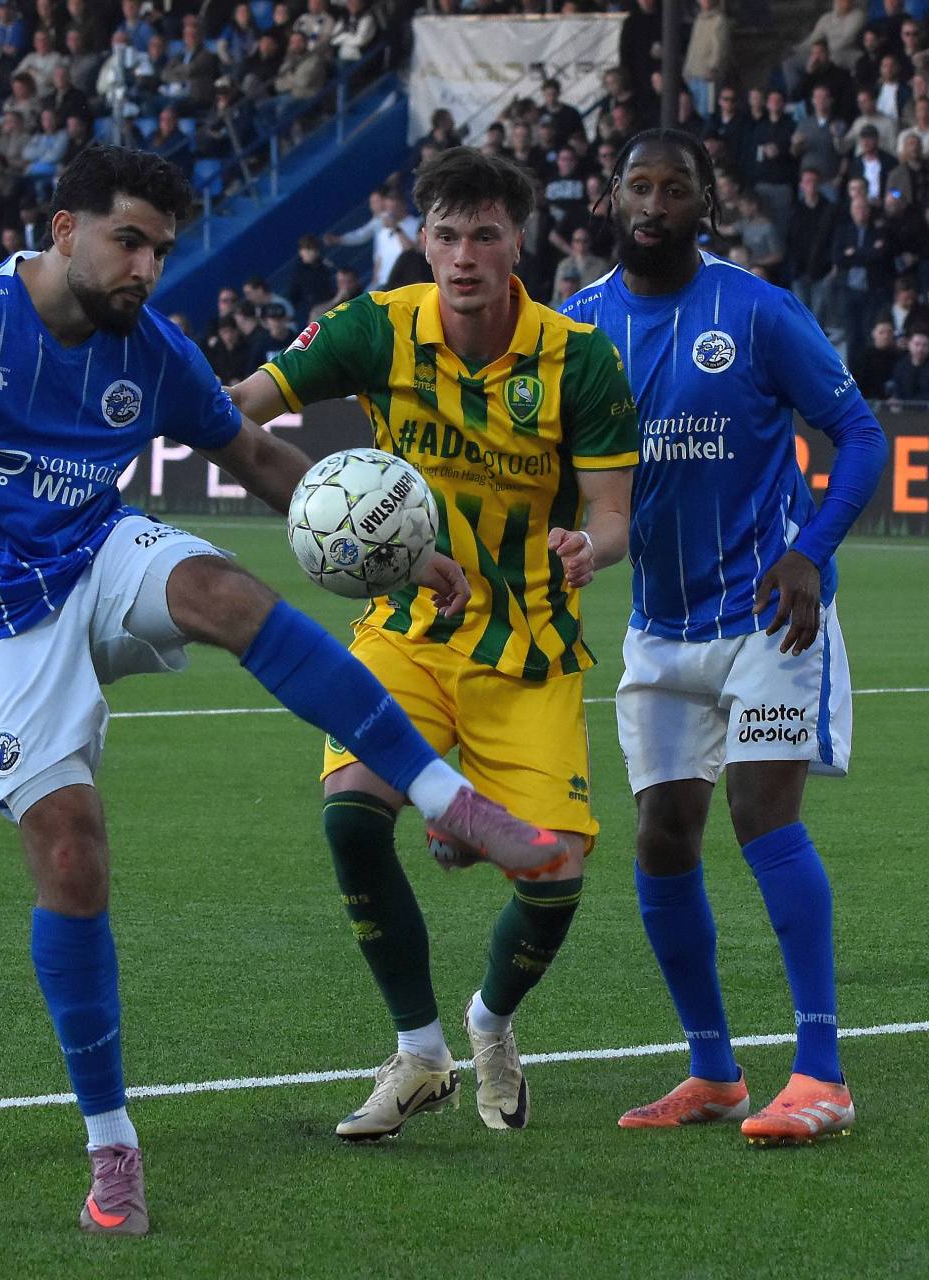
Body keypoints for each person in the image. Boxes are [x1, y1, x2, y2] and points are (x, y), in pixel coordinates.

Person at [0, 145, 562, 1238]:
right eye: (129, 242)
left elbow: (255, 456)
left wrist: (401, 550)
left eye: (160, 250)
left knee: (226, 592)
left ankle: (454, 801)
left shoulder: (150, 347)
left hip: (97, 553)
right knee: (72, 852)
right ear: (64, 229)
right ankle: (112, 1144)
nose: (146, 269)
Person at [226, 147, 640, 1141]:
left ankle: (489, 1022)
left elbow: (613, 514)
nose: (463, 257)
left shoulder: (579, 358)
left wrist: (590, 546)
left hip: (528, 646)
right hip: (406, 634)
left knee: (554, 877)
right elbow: (242, 407)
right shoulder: (375, 326)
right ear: (422, 239)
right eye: (446, 235)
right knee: (351, 819)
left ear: (518, 243)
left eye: (484, 235)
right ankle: (418, 1054)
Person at [558, 129, 887, 1145]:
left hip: (770, 614)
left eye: (677, 188)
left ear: (708, 203)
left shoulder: (756, 310)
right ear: (612, 197)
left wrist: (810, 552)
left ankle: (822, 1072)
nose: (655, 205)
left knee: (761, 815)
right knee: (662, 836)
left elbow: (861, 434)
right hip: (660, 624)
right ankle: (714, 1072)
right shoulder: (576, 328)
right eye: (639, 186)